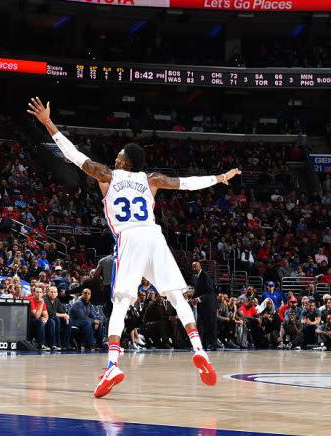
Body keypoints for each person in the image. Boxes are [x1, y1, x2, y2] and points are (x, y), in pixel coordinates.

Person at [28, 96, 240, 397]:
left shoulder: (108, 175)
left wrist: (48, 123)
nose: (115, 157)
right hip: (154, 236)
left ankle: (113, 363)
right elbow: (186, 183)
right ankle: (199, 350)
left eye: (118, 155)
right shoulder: (151, 179)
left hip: (129, 237)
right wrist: (219, 177)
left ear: (126, 160)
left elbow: (74, 156)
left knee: (122, 301)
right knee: (177, 297)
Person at [191, 262, 217, 350]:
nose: (194, 269)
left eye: (195, 267)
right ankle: (203, 345)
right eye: (192, 267)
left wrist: (198, 299)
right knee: (201, 326)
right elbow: (198, 292)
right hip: (202, 306)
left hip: (209, 306)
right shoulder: (196, 277)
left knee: (210, 326)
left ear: (200, 266)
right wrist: (192, 298)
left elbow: (210, 292)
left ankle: (213, 345)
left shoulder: (205, 276)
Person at [43, 285, 72, 350]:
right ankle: (54, 344)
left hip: (55, 318)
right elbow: (51, 313)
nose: (53, 293)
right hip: (46, 318)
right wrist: (64, 315)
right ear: (48, 292)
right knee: (55, 320)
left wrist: (66, 316)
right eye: (51, 292)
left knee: (69, 321)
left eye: (55, 292)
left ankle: (65, 344)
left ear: (57, 294)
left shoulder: (57, 300)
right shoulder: (45, 299)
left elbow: (62, 311)